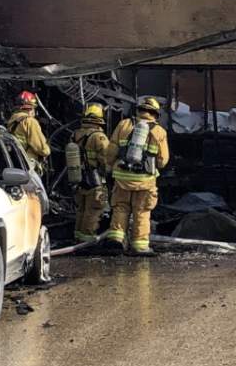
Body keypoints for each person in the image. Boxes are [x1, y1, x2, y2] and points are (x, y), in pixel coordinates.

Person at [103, 96, 170, 254]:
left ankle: (116, 239)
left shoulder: (124, 124)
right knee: (142, 212)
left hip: (122, 178)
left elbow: (111, 150)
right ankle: (140, 246)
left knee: (120, 208)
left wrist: (110, 165)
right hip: (145, 181)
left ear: (139, 110)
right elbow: (163, 160)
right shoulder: (159, 131)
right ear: (155, 114)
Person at [69, 103, 111, 243]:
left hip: (78, 178)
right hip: (95, 180)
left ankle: (78, 236)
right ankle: (87, 240)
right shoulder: (99, 137)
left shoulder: (75, 134)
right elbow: (106, 158)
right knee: (93, 210)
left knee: (81, 210)